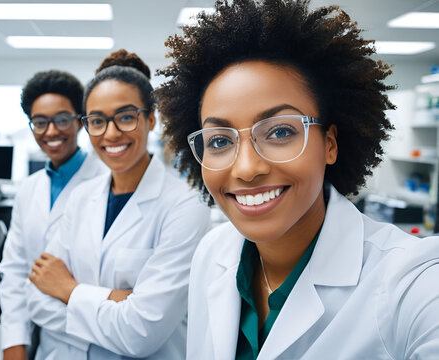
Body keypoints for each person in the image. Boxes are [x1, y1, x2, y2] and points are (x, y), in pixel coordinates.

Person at [156, 0, 439, 359]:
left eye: (279, 132)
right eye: (219, 140)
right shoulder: (211, 253)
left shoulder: (411, 283)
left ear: (330, 144)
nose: (245, 168)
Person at [25, 49, 210, 359]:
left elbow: (141, 334)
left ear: (151, 119)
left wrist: (68, 290)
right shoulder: (81, 197)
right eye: (97, 120)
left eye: (125, 117)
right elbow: (36, 297)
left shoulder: (186, 205)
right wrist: (119, 302)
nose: (110, 134)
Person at [0, 70, 107, 360]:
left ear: (80, 122)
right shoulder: (28, 189)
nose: (50, 132)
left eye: (61, 120)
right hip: (47, 344)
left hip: (100, 342)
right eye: (40, 122)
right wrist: (14, 344)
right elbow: (14, 270)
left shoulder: (107, 181)